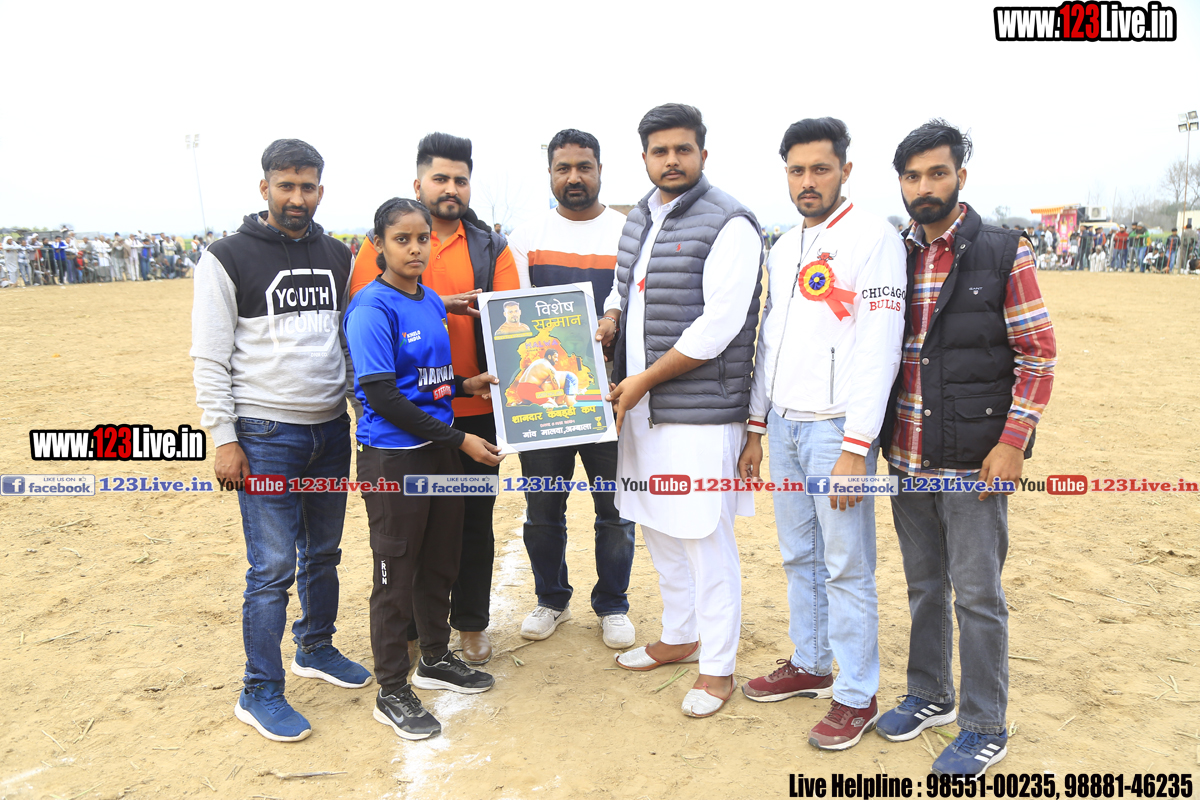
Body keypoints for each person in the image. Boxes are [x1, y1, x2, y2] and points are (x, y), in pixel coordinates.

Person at [878, 120, 1056, 775]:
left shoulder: (1004, 251)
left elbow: (1038, 354)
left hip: (973, 459)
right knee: (924, 586)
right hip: (907, 455)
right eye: (912, 176)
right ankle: (930, 694)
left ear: (961, 176)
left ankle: (984, 724)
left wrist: (1013, 443)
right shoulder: (892, 255)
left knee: (978, 597)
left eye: (937, 173)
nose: (924, 187)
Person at [191, 138, 370, 743]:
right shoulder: (225, 257)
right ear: (264, 187)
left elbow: (346, 341)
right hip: (265, 434)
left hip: (330, 429)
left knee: (323, 553)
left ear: (321, 190)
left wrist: (359, 410)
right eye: (286, 186)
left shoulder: (339, 256)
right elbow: (210, 356)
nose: (298, 197)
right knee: (270, 569)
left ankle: (315, 646)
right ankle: (259, 689)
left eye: (308, 187)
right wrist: (224, 437)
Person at [737, 118, 906, 750]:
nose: (808, 181)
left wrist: (857, 446)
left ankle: (857, 694)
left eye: (820, 169)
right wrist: (757, 427)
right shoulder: (784, 246)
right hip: (783, 425)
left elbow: (880, 348)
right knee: (798, 556)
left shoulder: (874, 238)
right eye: (797, 170)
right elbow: (771, 341)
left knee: (846, 566)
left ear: (845, 171)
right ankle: (811, 662)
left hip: (838, 431)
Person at [600, 104, 762, 717]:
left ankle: (717, 666)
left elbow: (719, 325)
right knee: (657, 525)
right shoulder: (639, 217)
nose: (671, 160)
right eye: (660, 151)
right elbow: (624, 289)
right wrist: (611, 319)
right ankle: (679, 634)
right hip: (641, 407)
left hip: (698, 414)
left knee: (702, 536)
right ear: (644, 157)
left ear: (702, 154)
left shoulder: (730, 222)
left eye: (682, 150)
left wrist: (642, 380)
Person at [348, 132, 519, 665]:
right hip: (406, 428)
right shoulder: (376, 261)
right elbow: (372, 327)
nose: (451, 188)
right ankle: (409, 636)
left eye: (460, 180)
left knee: (467, 528)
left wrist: (476, 387)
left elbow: (514, 317)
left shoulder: (491, 246)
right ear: (418, 182)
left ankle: (468, 625)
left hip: (473, 415)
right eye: (440, 178)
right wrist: (371, 411)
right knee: (407, 539)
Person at [345, 197, 502, 741]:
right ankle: (391, 688)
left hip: (438, 451)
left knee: (441, 561)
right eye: (401, 239)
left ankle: (434, 658)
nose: (414, 249)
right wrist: (462, 439)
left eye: (421, 239)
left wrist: (465, 386)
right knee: (395, 576)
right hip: (395, 459)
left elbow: (427, 383)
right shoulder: (371, 308)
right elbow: (384, 397)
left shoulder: (431, 299)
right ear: (379, 244)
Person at [507, 128, 636, 649]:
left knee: (615, 511)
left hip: (609, 397)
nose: (574, 177)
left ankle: (613, 604)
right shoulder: (527, 235)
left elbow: (630, 295)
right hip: (545, 404)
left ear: (600, 170)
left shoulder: (627, 232)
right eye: (564, 168)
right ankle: (551, 599)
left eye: (584, 167)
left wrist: (612, 317)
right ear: (551, 174)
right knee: (543, 510)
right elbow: (515, 311)